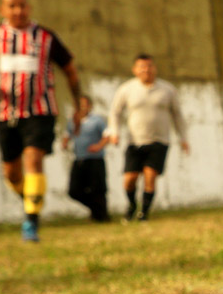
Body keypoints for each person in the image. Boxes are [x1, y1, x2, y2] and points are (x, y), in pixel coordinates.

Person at [0, 0, 84, 242]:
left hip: (40, 110)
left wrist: (78, 103)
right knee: (11, 171)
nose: (18, 10)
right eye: (12, 6)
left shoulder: (46, 37)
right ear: (2, 10)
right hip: (4, 112)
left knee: (34, 159)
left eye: (22, 5)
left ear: (29, 7)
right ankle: (29, 198)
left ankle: (31, 222)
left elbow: (70, 70)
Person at [107, 54, 189, 221]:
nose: (146, 70)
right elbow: (115, 112)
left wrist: (184, 138)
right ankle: (131, 206)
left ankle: (143, 213)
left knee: (150, 177)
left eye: (149, 66)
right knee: (130, 180)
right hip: (134, 141)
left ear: (155, 68)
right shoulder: (126, 89)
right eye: (142, 67)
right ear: (135, 70)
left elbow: (177, 115)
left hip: (159, 141)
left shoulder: (167, 89)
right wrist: (114, 132)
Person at [62, 96, 111, 222]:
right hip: (79, 159)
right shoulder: (73, 121)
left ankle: (101, 216)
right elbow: (67, 134)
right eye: (80, 105)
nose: (83, 107)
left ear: (90, 106)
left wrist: (99, 146)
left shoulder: (97, 120)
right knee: (74, 190)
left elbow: (107, 135)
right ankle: (98, 211)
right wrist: (65, 143)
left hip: (95, 159)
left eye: (85, 104)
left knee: (98, 189)